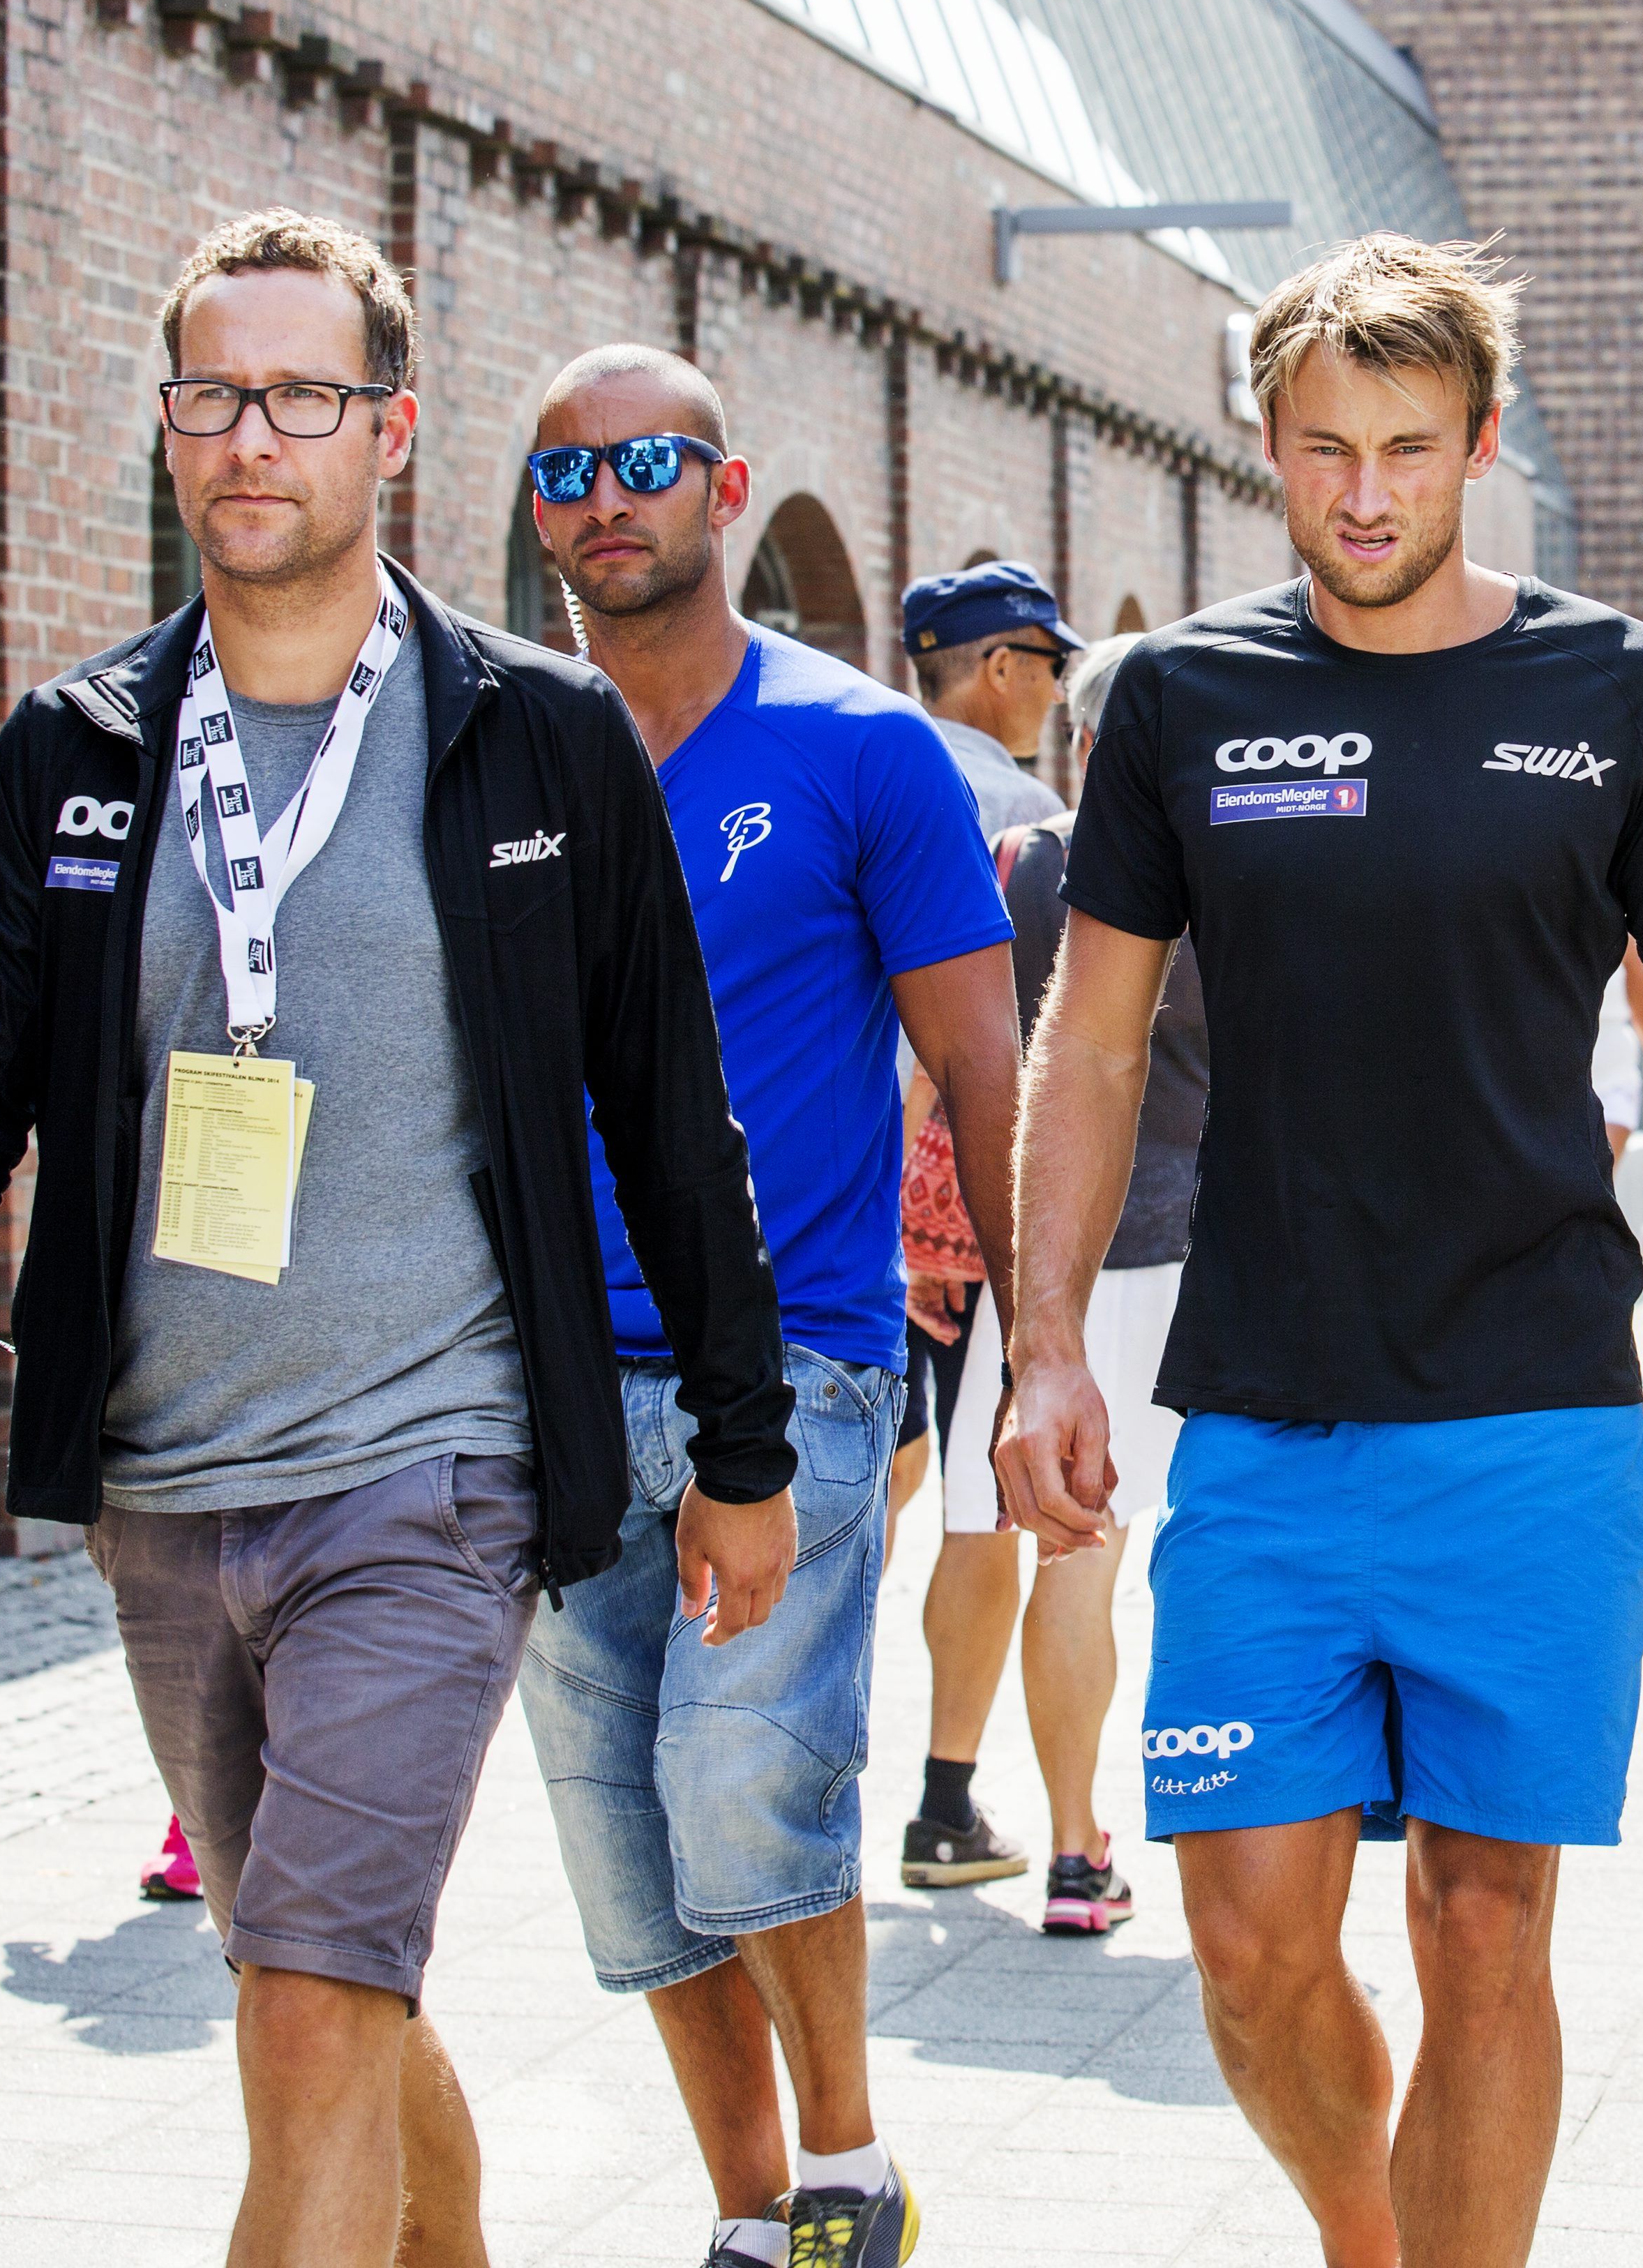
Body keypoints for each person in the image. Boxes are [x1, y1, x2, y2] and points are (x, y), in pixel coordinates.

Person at [0, 211, 800, 2268]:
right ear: (169, 424)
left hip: (431, 1476)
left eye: (300, 396)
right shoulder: (79, 748)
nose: (251, 436)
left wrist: (742, 1447)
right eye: (211, 393)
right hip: (168, 1487)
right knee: (324, 1988)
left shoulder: (535, 734)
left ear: (391, 431)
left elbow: (664, 1108)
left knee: (306, 2004)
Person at [1000, 232, 1643, 2268]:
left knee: (1483, 1923)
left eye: (1409, 448)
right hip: (1265, 1417)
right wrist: (1047, 1344)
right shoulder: (1182, 698)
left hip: (1533, 1411)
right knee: (1249, 1945)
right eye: (1327, 448)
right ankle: (1378, 2236)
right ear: (1267, 445)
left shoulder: (1621, 696)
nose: (1366, 493)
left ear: (1480, 443)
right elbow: (1090, 1037)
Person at [518, 343, 1028, 2267]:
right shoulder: (503, 756)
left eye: (648, 460)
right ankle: (753, 2214)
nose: (605, 498)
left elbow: (984, 1066)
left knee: (743, 1781)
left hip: (799, 1360)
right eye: (565, 471)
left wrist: (1032, 1354)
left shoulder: (862, 747)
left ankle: (845, 2165)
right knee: (624, 1846)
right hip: (552, 1379)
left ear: (724, 491)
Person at [993, 629, 1211, 1938]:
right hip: (1205, 1243)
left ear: (1079, 738)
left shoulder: (1024, 861)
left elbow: (971, 1064)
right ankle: (1234, 1845)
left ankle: (1074, 1848)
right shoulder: (1232, 854)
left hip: (1052, 1259)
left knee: (1071, 1554)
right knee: (1211, 1554)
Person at [890, 559, 1085, 1893]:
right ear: (1002, 666)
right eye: (1048, 665)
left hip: (834, 1198)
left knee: (871, 1490)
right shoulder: (1019, 818)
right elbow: (979, 1052)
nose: (1055, 693)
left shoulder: (860, 766)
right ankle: (953, 1803)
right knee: (988, 1507)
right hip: (958, 1218)